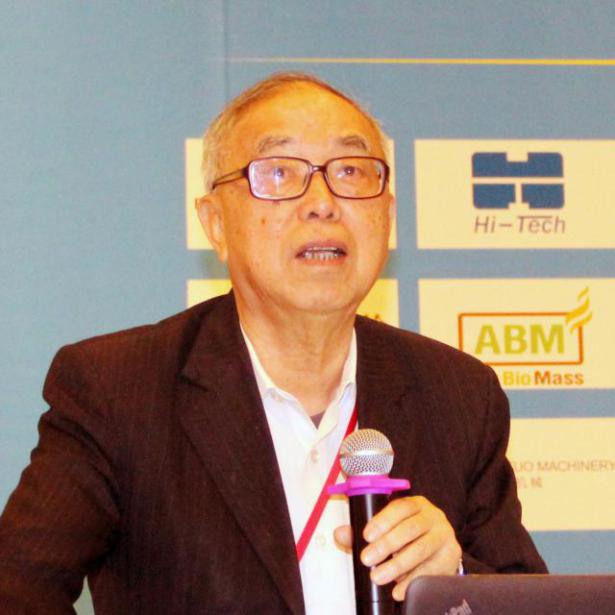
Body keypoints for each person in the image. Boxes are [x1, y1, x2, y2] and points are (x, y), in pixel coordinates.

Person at [0, 72, 546, 615]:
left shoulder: (457, 394)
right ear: (215, 223)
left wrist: (453, 579)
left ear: (388, 214)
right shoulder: (118, 389)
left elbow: (529, 599)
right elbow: (16, 588)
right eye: (280, 173)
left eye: (351, 171)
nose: (323, 203)